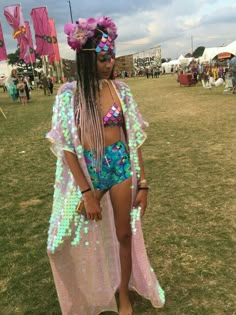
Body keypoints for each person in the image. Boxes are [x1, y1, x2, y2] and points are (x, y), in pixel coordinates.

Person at [46, 16, 165, 315]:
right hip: (89, 173)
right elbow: (67, 148)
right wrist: (87, 193)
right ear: (86, 60)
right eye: (102, 58)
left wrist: (144, 183)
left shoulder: (121, 91)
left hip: (120, 167)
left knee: (124, 234)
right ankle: (94, 290)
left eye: (111, 56)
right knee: (63, 243)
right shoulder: (68, 96)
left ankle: (123, 294)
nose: (109, 63)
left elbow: (133, 138)